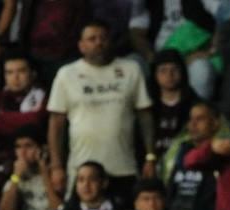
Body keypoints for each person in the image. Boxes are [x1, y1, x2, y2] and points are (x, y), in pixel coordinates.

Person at [47, 20, 156, 197]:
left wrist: (150, 156)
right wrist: (56, 166)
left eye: (103, 38)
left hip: (123, 166)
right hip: (82, 171)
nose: (98, 42)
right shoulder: (67, 74)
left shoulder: (131, 69)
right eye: (92, 39)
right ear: (81, 45)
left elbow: (145, 115)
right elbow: (56, 124)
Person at [130, 3, 216, 101]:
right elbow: (136, 32)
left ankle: (198, 111)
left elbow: (224, 20)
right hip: (158, 54)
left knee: (201, 69)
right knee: (132, 64)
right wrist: (151, 57)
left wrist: (210, 50)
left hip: (192, 54)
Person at [0, 52, 49, 152]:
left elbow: (35, 121)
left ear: (33, 74)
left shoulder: (44, 96)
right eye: (9, 72)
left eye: (21, 71)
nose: (15, 77)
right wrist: (24, 119)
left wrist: (1, 117)